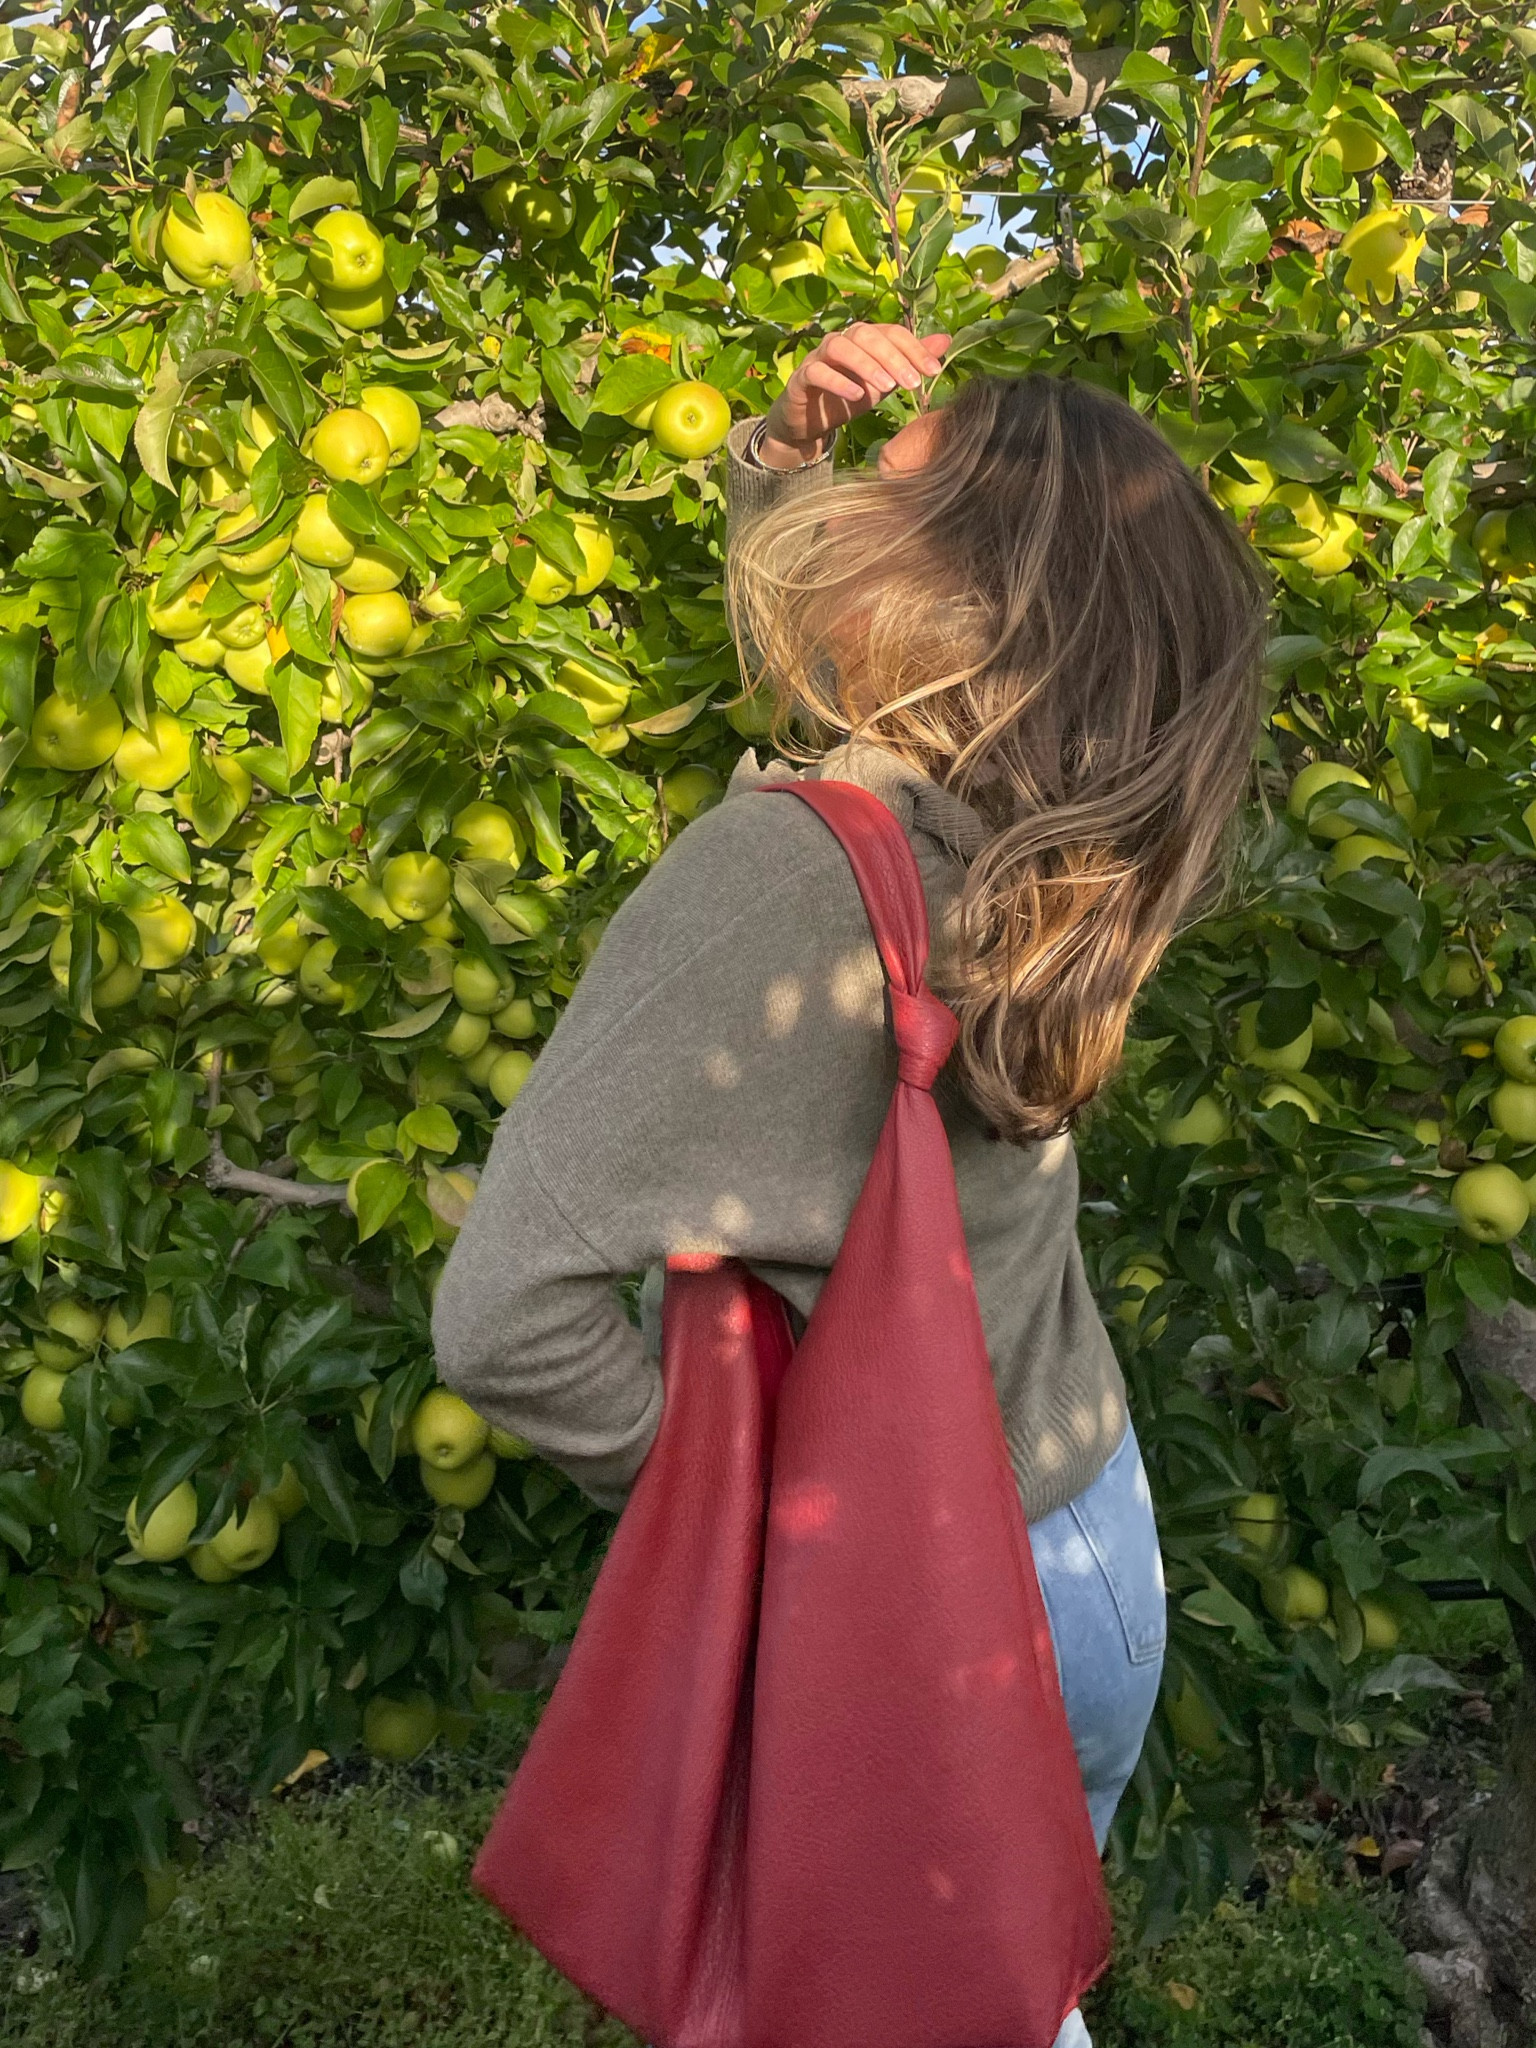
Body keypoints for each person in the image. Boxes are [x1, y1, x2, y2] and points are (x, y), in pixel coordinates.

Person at [433, 320, 1271, 2047]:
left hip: (912, 1582)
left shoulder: (781, 880)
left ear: (948, 598)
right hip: (1085, 1541)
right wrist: (780, 462)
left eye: (887, 496)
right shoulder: (1069, 829)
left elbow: (505, 1318)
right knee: (992, 1996)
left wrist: (736, 1510)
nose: (838, 524)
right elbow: (864, 710)